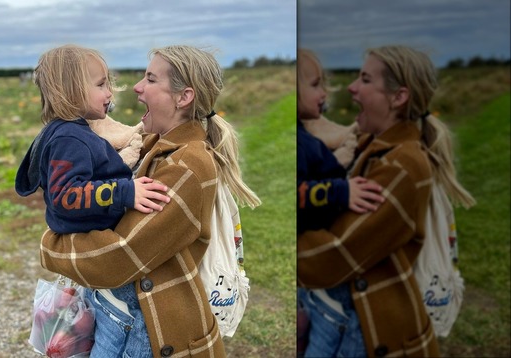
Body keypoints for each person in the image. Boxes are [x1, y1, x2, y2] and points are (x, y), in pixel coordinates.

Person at [39, 45, 261, 358]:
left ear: (184, 97)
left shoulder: (186, 167)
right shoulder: (156, 145)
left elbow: (119, 257)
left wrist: (52, 246)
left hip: (144, 331)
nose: (137, 87)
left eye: (151, 80)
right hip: (124, 317)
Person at [297, 45, 475, 357]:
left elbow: (335, 255)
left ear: (398, 97)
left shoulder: (402, 166)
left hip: (366, 333)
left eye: (365, 80)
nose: (351, 88)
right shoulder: (372, 142)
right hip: (342, 317)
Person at [15, 44, 171, 356]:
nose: (110, 92)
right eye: (101, 84)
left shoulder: (71, 132)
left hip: (94, 247)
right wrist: (125, 192)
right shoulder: (68, 139)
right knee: (124, 322)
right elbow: (66, 196)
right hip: (98, 248)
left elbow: (88, 176)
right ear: (71, 91)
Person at [296, 48, 384, 357]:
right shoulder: (299, 144)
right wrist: (340, 192)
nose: (325, 92)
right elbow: (299, 192)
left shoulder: (306, 138)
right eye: (316, 84)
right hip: (323, 280)